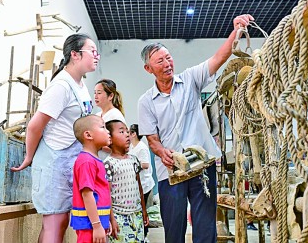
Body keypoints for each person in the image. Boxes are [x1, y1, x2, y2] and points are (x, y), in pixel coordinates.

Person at [138, 14, 254, 243]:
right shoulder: (146, 101)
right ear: (148, 68)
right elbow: (152, 139)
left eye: (168, 58)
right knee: (174, 228)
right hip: (171, 172)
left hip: (202, 166)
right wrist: (162, 153)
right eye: (160, 61)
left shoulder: (191, 79)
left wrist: (237, 30)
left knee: (205, 226)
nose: (167, 64)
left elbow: (220, 57)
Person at [11, 33, 100, 243]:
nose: (97, 56)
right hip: (54, 163)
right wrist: (29, 157)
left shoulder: (79, 84)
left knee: (60, 223)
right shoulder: (61, 86)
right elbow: (34, 126)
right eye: (92, 52)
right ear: (75, 55)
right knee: (54, 224)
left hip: (68, 163)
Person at [104, 120, 149, 243]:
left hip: (136, 214)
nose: (127, 135)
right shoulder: (109, 164)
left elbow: (139, 186)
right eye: (121, 131)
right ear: (110, 139)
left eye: (127, 132)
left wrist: (144, 210)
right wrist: (111, 219)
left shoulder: (134, 160)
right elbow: (106, 194)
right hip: (119, 216)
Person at [71, 115, 112, 243]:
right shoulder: (86, 161)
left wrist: (104, 221)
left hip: (96, 223)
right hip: (89, 225)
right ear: (88, 135)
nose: (108, 131)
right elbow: (87, 195)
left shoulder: (95, 160)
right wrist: (97, 225)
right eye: (103, 127)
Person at [129, 123, 155, 241]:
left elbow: (145, 164)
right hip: (137, 185)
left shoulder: (141, 147)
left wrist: (131, 165)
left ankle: (144, 236)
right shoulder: (133, 147)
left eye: (128, 132)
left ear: (134, 134)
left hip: (144, 185)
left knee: (143, 212)